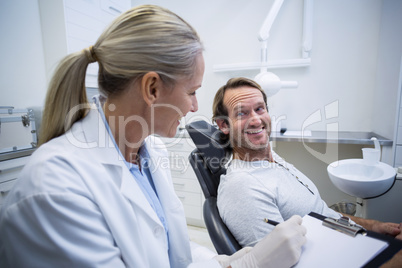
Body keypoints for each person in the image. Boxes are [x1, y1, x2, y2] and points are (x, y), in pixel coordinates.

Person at [0, 5, 307, 268]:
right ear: (152, 89)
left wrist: (229, 261)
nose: (195, 107)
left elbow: (170, 251)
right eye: (191, 92)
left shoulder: (149, 153)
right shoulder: (56, 189)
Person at [212, 77, 402, 248]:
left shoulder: (272, 159)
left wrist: (373, 227)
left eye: (260, 109)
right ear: (224, 125)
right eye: (241, 113)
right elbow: (278, 262)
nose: (255, 120)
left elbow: (323, 214)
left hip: (349, 239)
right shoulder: (242, 187)